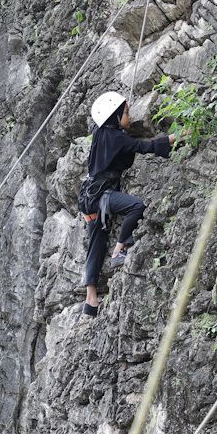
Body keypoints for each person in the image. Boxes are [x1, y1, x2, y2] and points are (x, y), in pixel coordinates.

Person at [78, 91, 179, 316]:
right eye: (126, 112)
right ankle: (119, 250)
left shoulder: (101, 133)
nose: (130, 116)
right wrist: (175, 137)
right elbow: (145, 147)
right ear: (114, 116)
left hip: (88, 198)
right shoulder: (117, 138)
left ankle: (90, 300)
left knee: (95, 244)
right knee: (137, 206)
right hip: (102, 196)